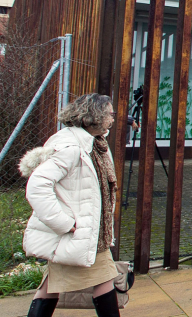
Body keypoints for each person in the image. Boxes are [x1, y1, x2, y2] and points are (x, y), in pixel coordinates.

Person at [19, 94, 121, 317]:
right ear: (95, 116)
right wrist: (63, 223)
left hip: (90, 233)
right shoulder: (72, 148)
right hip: (77, 232)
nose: (113, 119)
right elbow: (37, 186)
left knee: (54, 285)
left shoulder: (94, 144)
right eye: (110, 114)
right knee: (101, 279)